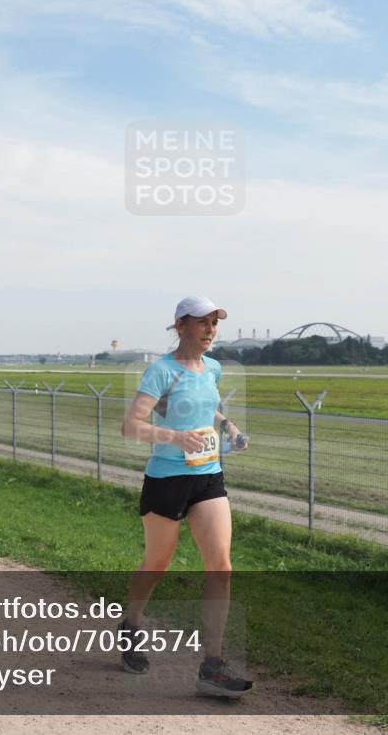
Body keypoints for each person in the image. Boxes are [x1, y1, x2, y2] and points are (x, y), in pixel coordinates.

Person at [119, 296, 252, 698]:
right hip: (167, 479)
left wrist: (228, 426)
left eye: (215, 323)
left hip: (208, 476)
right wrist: (175, 437)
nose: (211, 330)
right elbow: (130, 426)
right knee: (157, 563)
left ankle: (212, 665)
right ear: (180, 326)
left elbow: (206, 406)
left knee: (221, 566)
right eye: (202, 323)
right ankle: (130, 625)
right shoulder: (162, 371)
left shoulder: (212, 367)